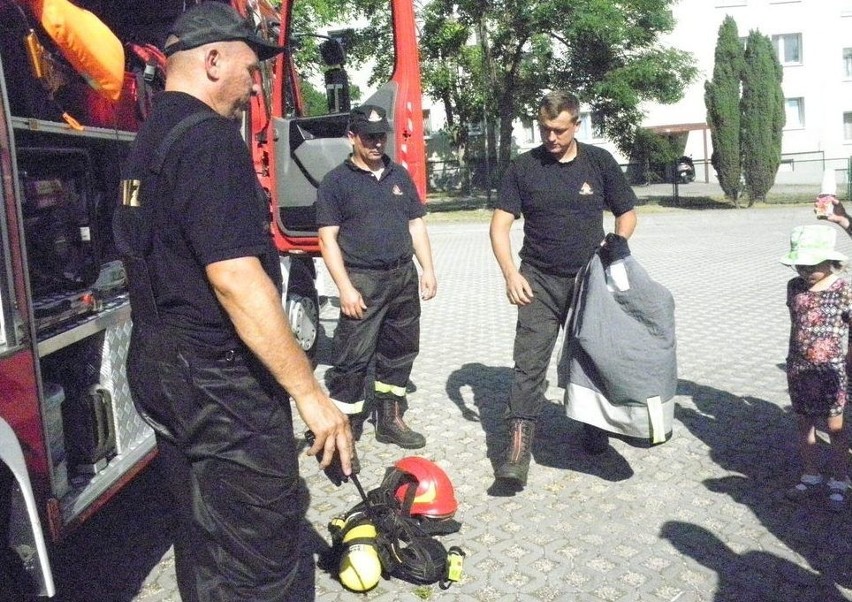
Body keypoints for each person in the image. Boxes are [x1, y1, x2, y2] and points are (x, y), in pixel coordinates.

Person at [114, 3, 353, 599]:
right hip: (218, 382)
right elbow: (237, 281)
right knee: (262, 547)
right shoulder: (207, 141)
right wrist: (309, 394)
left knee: (205, 533)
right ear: (213, 60)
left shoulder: (147, 142)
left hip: (161, 367)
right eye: (252, 70)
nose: (257, 87)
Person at [489, 90, 637, 488]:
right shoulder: (524, 167)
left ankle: (594, 427)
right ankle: (517, 453)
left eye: (558, 130)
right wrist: (510, 274)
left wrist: (617, 246)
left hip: (589, 281)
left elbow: (626, 213)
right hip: (537, 281)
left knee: (590, 358)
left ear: (576, 124)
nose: (550, 138)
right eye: (544, 129)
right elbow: (499, 226)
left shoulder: (599, 162)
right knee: (529, 364)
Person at [315, 104, 437, 450]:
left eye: (381, 136)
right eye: (368, 137)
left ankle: (390, 420)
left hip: (402, 278)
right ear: (351, 137)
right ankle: (346, 427)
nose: (376, 143)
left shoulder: (398, 176)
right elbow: (327, 239)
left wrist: (427, 269)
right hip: (362, 281)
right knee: (353, 357)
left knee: (400, 351)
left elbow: (415, 223)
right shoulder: (335, 183)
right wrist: (344, 288)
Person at [780, 225, 851, 512]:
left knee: (835, 427)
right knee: (804, 423)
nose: (805, 270)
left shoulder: (844, 288)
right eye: (800, 264)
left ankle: (839, 478)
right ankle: (810, 475)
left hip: (832, 370)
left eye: (812, 264)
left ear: (829, 260)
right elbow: (795, 323)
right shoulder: (794, 286)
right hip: (799, 366)